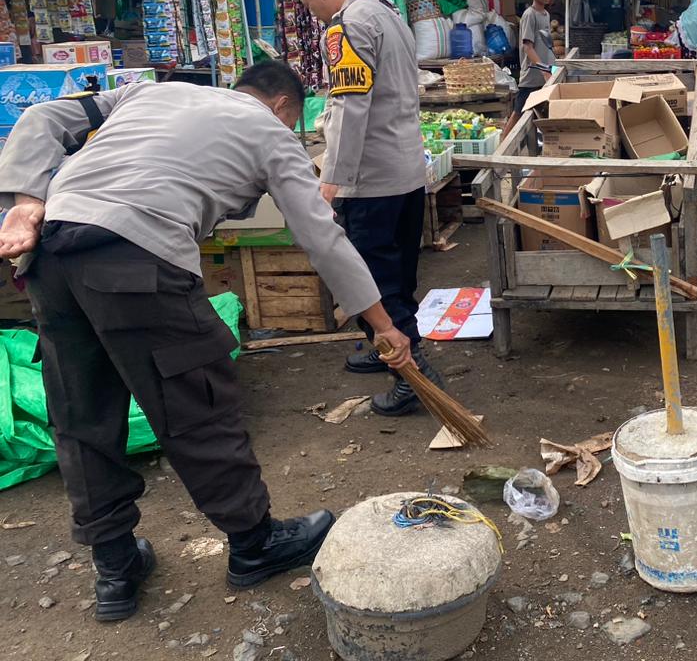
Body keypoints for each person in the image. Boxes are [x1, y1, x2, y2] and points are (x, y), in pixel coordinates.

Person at [0, 62, 414, 620]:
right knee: (197, 404)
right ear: (283, 106)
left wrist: (26, 198)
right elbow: (324, 239)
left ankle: (115, 568)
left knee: (82, 414)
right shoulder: (272, 134)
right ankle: (254, 544)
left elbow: (40, 116)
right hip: (137, 258)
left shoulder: (148, 93)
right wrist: (383, 325)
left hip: (50, 257)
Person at [292, 0, 432, 417]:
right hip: (405, 168)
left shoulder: (347, 26)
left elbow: (351, 108)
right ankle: (384, 345)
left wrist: (332, 179)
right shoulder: (388, 14)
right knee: (399, 271)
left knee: (376, 279)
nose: (312, 12)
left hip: (371, 180)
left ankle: (412, 375)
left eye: (307, 2)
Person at [504, 0, 556, 137]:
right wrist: (544, 70)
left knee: (543, 109)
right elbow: (527, 47)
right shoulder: (529, 15)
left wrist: (552, 66)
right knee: (519, 111)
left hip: (547, 71)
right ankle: (503, 141)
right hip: (533, 74)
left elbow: (546, 43)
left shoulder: (546, 14)